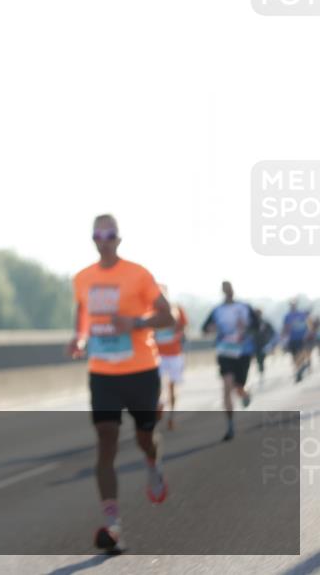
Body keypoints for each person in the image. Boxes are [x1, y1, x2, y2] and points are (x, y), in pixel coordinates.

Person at [66, 214, 174, 554]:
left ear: (119, 238)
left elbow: (166, 315)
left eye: (110, 234)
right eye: (98, 234)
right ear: (92, 239)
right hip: (102, 373)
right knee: (106, 440)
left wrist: (136, 322)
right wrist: (79, 338)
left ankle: (153, 464)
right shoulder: (82, 278)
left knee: (145, 438)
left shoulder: (138, 274)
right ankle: (113, 526)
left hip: (142, 370)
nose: (104, 239)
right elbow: (83, 313)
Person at [201, 282, 258, 441]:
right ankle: (230, 425)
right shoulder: (217, 310)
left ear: (233, 290)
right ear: (222, 292)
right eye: (225, 289)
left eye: (230, 288)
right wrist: (210, 329)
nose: (228, 292)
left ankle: (245, 394)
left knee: (238, 387)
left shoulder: (245, 307)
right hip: (225, 352)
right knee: (226, 386)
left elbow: (257, 326)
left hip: (243, 352)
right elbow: (204, 328)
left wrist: (245, 328)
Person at [154, 285, 187, 431]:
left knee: (172, 387)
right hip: (157, 355)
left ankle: (172, 416)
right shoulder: (151, 310)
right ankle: (159, 405)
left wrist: (176, 334)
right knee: (157, 386)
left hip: (174, 354)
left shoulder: (176, 308)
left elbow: (183, 327)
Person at [282, 299, 312, 383]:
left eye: (294, 304)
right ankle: (299, 371)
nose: (293, 306)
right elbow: (285, 327)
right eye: (291, 304)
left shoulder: (301, 314)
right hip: (291, 339)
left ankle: (299, 370)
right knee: (294, 356)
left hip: (301, 338)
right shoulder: (287, 316)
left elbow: (308, 323)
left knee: (301, 353)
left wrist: (308, 333)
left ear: (296, 305)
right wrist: (283, 337)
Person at [250, 308, 277, 386]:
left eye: (258, 313)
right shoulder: (251, 323)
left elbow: (272, 332)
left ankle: (261, 374)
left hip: (263, 345)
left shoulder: (265, 323)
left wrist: (271, 343)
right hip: (253, 345)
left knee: (261, 360)